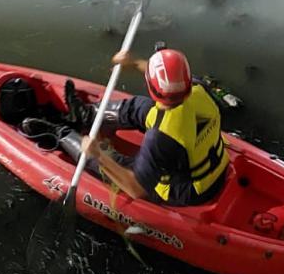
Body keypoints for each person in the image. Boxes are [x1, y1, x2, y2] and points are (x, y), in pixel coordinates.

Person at [20, 48, 229, 206]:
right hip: (208, 162)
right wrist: (135, 62)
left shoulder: (161, 138)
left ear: (151, 85)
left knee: (112, 161)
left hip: (188, 189)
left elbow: (135, 188)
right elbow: (172, 82)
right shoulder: (199, 88)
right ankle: (86, 115)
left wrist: (98, 155)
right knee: (140, 107)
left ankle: (60, 131)